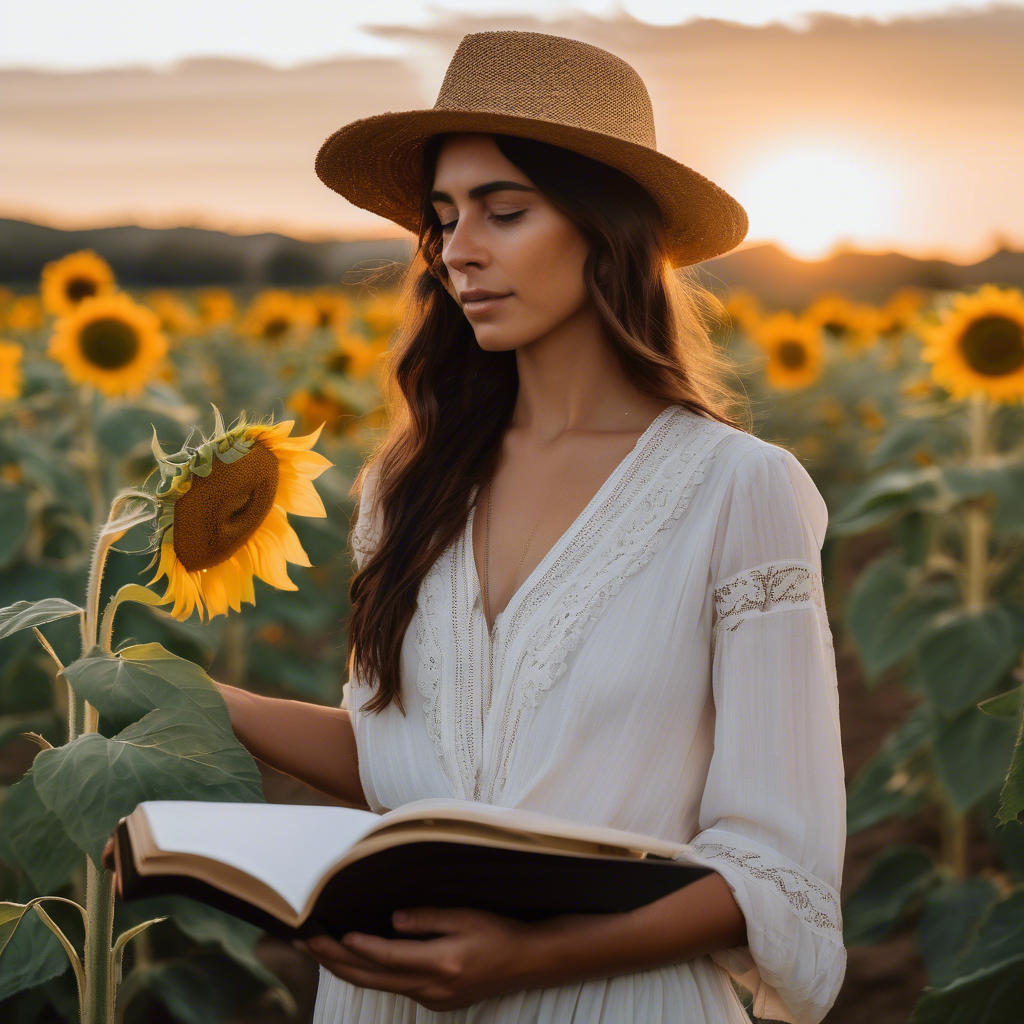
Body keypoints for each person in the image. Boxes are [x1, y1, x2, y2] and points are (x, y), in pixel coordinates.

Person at [191, 29, 846, 1024]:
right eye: (445, 216)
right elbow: (397, 755)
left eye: (505, 209)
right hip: (392, 1000)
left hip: (610, 1001)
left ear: (606, 227)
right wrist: (185, 698)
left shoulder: (738, 490)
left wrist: (527, 958)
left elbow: (777, 871)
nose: (458, 249)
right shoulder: (404, 487)